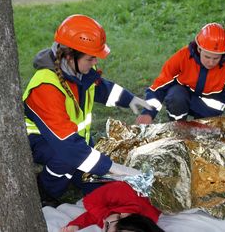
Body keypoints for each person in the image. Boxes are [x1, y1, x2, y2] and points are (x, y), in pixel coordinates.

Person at [22, 14, 151, 206]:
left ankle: (75, 174)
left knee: (101, 187)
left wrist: (129, 99)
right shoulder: (46, 87)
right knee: (67, 161)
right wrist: (112, 167)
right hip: (44, 142)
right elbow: (67, 146)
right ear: (69, 55)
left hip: (75, 140)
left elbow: (101, 88)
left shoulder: (76, 70)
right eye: (91, 59)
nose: (94, 64)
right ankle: (46, 190)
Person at [136, 22, 225, 142]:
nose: (211, 62)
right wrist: (148, 113)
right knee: (175, 95)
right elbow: (159, 87)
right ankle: (178, 128)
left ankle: (198, 130)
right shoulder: (182, 58)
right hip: (182, 99)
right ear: (199, 49)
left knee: (204, 140)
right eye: (207, 56)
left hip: (209, 109)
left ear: (223, 54)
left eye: (216, 58)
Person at [59, 181, 164, 232]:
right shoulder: (121, 191)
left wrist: (75, 226)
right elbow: (91, 202)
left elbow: (98, 218)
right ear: (124, 215)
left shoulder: (116, 221)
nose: (103, 224)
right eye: (107, 226)